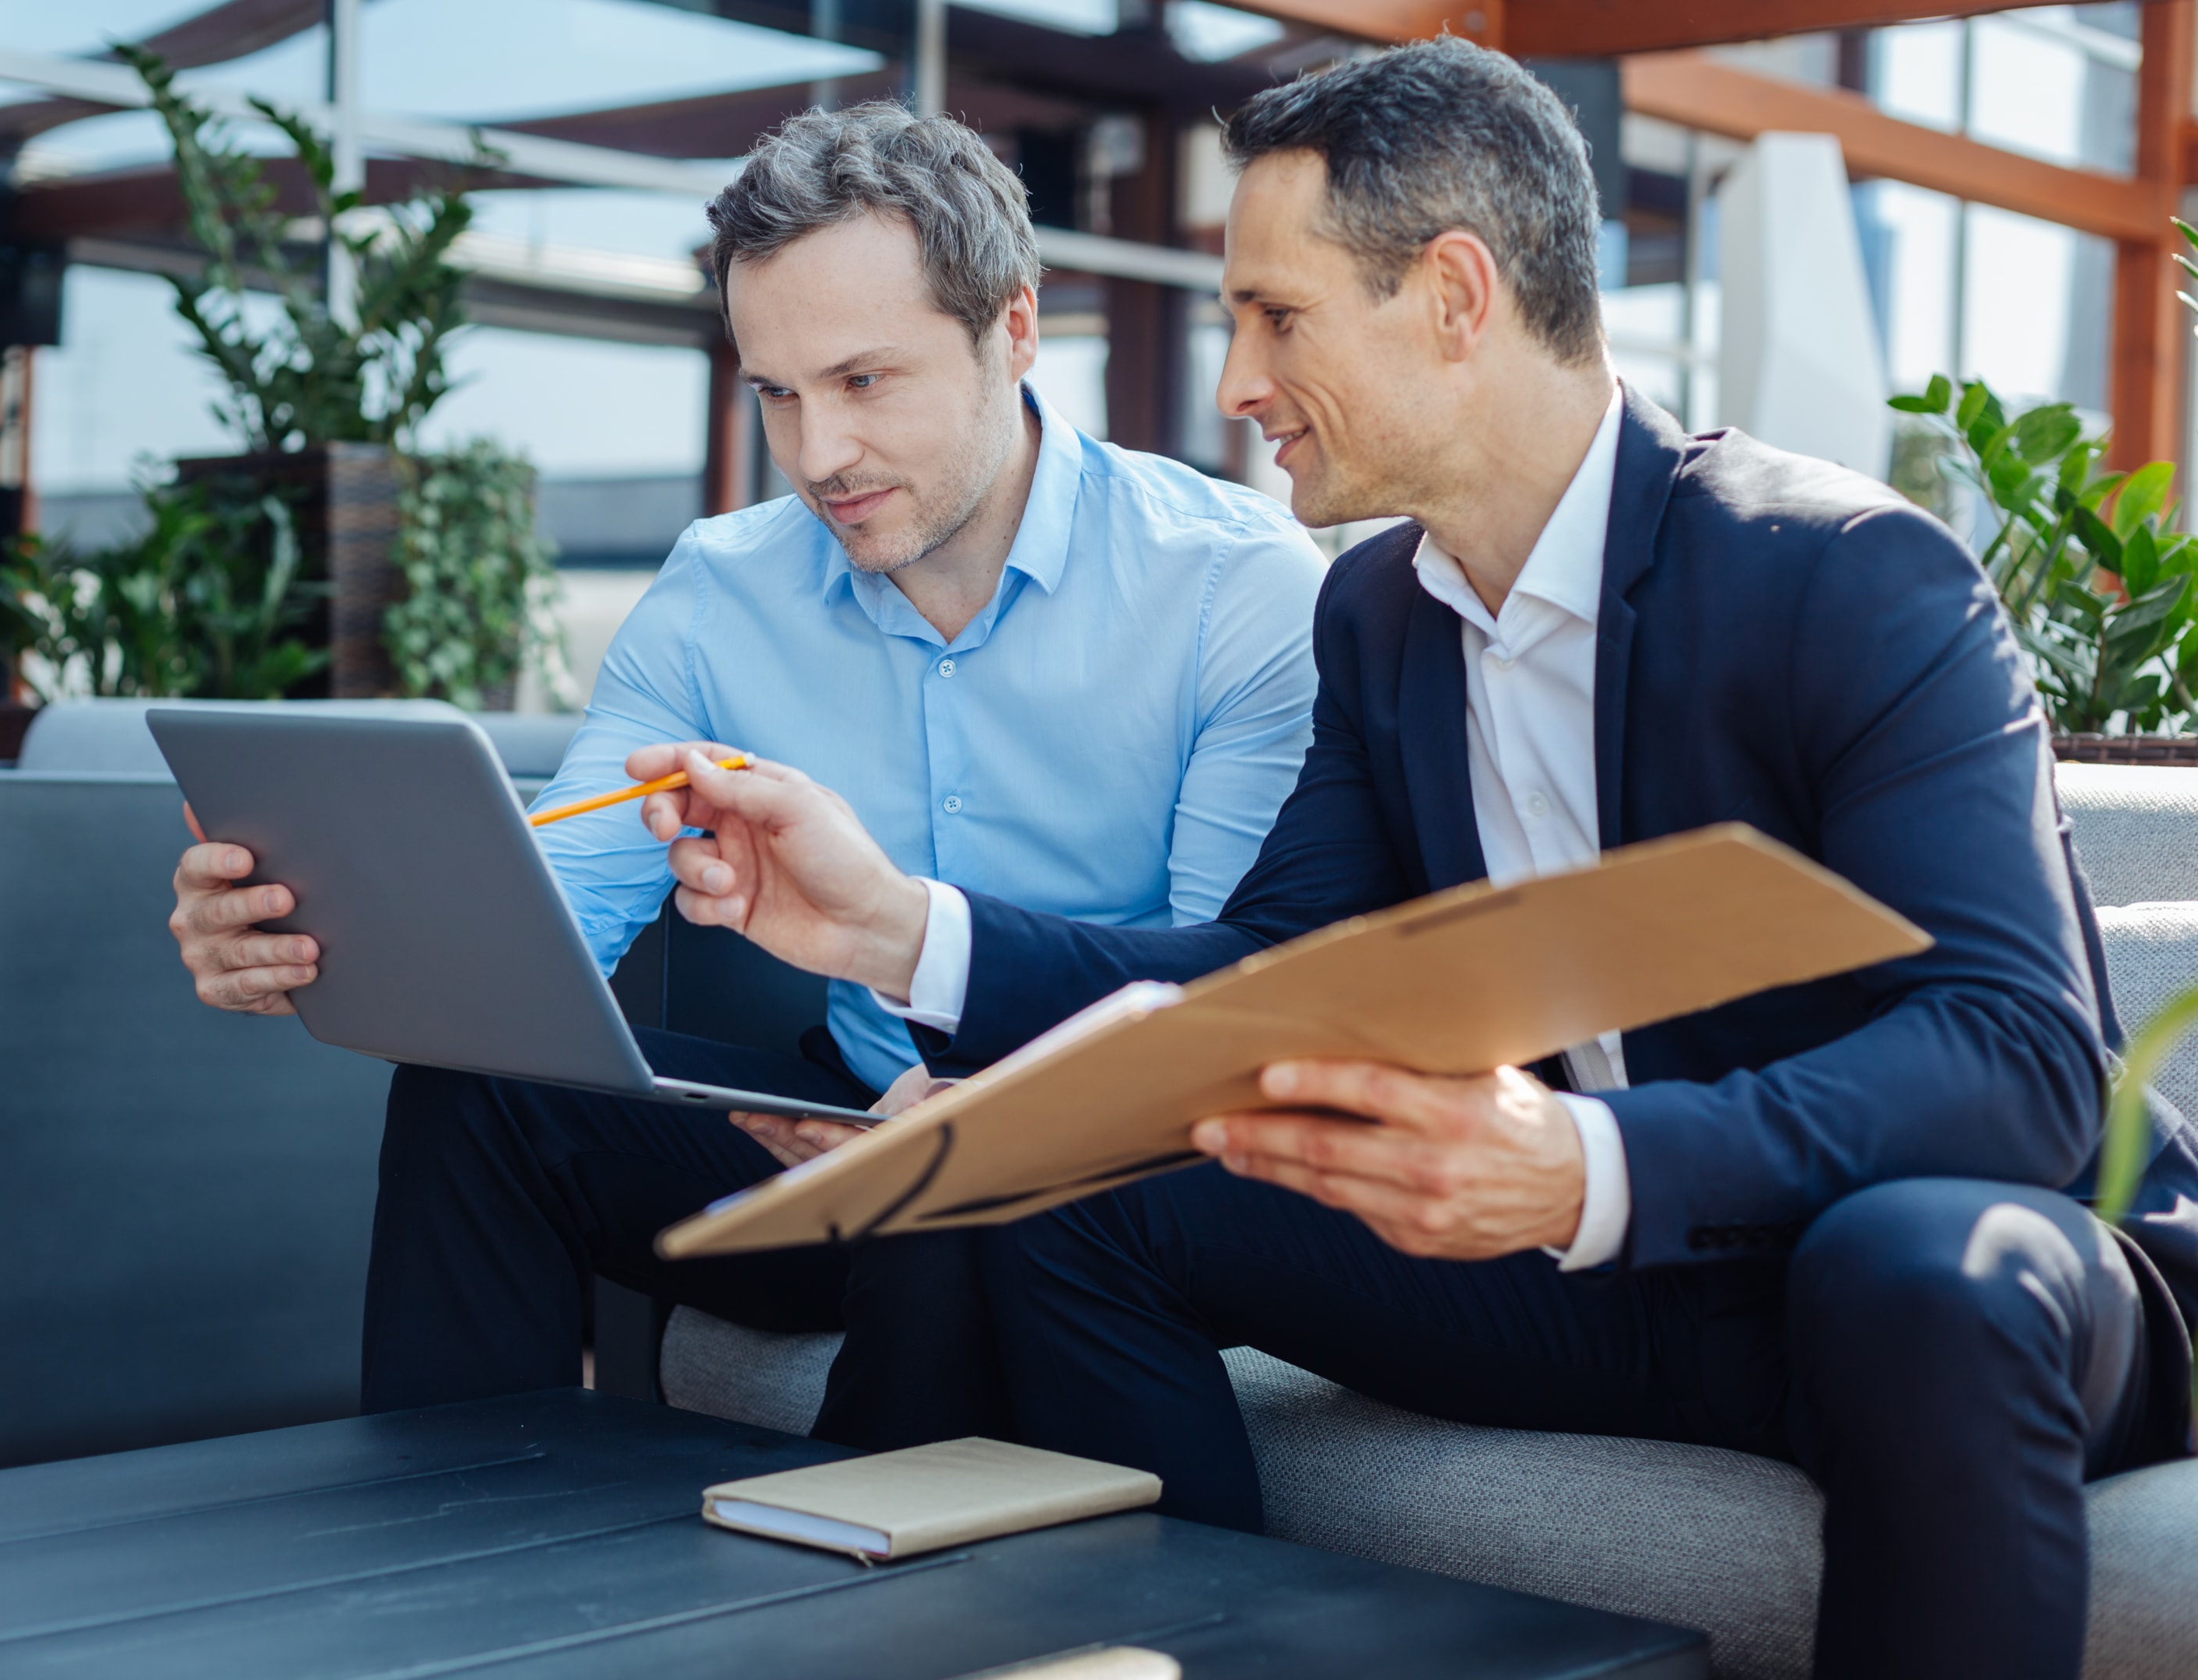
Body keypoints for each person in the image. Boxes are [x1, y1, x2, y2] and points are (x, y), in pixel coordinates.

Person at [626, 42, 2197, 1680]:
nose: (1234, 380)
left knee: (1912, 1270)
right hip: (1622, 1279)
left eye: (1276, 317)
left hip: (1957, 1264)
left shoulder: (1848, 574)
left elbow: (2017, 1059)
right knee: (1080, 1202)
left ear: (1454, 294)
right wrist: (894, 931)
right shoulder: (1380, 618)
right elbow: (1267, 980)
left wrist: (1594, 1165)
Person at [164, 102, 1327, 1447]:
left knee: (959, 1193)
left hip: (1103, 1170)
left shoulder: (1232, 591)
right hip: (829, 1121)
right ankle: (455, 1582)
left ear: (1013, 332)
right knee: (478, 1094)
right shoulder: (722, 590)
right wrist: (315, 931)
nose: (817, 453)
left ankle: (839, 1612)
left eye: (863, 382)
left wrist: (956, 1122)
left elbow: (1218, 999)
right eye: (775, 392)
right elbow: (540, 936)